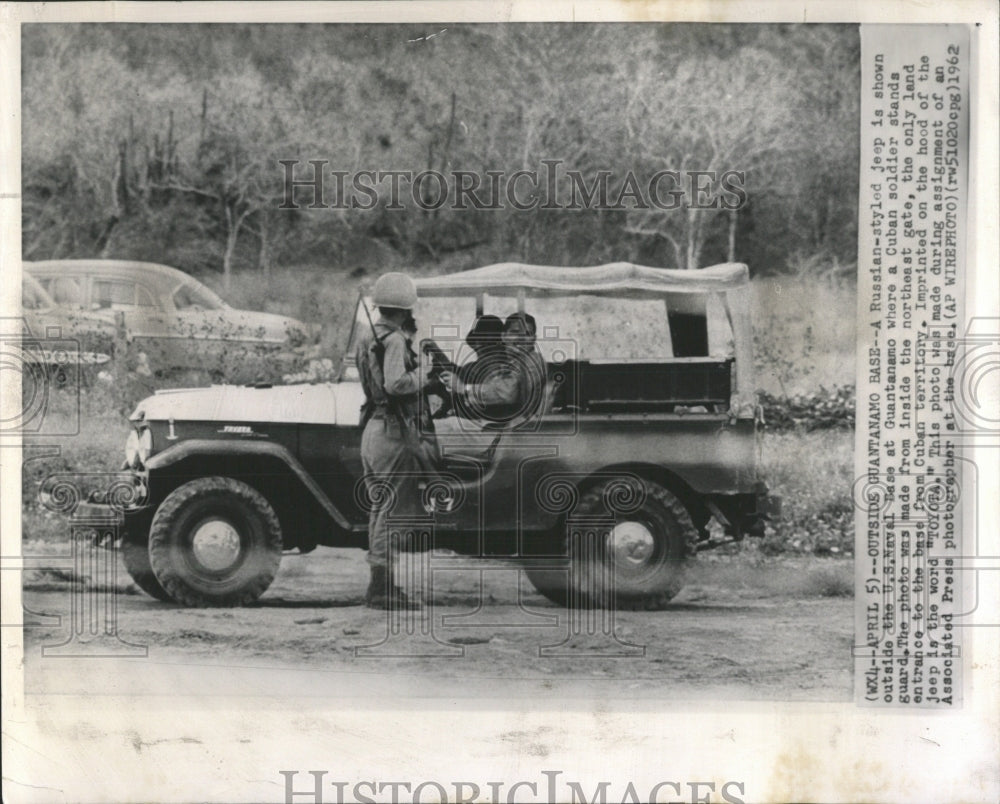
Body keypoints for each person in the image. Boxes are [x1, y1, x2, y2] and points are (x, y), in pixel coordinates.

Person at [355, 272, 437, 610]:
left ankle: (381, 585)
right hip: (392, 433)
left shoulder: (368, 336)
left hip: (373, 430)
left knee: (379, 510)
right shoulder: (394, 340)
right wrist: (425, 374)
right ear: (404, 309)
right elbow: (396, 385)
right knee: (390, 513)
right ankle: (382, 590)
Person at [442, 311, 547, 426]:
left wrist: (462, 388)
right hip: (500, 424)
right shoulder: (509, 364)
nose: (521, 338)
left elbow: (507, 394)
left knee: (438, 428)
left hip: (516, 429)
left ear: (534, 339)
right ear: (504, 336)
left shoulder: (533, 361)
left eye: (527, 334)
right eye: (515, 332)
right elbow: (490, 392)